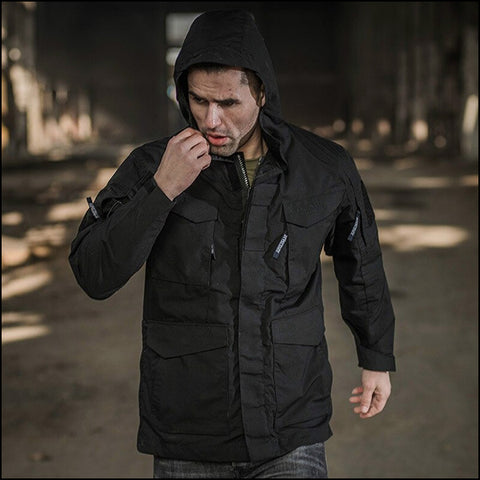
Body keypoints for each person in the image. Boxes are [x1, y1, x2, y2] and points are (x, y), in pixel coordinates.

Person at [69, 9, 396, 479]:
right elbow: (93, 273)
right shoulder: (150, 166)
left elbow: (360, 261)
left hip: (290, 426)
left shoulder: (323, 168)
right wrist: (162, 188)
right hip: (188, 432)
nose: (211, 119)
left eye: (228, 102)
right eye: (198, 100)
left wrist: (376, 357)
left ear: (261, 93)